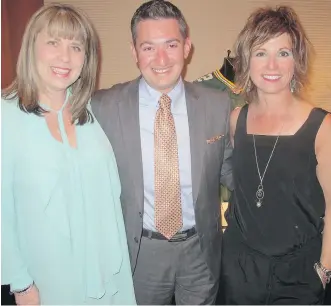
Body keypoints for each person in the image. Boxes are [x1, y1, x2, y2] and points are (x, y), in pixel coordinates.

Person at [91, 0, 233, 304]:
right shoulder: (103, 107)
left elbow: (233, 172)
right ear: (134, 52)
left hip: (200, 252)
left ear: (187, 47)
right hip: (140, 254)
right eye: (148, 47)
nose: (161, 58)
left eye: (171, 44)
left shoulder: (216, 105)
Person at [1, 3, 136, 305]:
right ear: (31, 47)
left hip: (108, 273)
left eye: (76, 46)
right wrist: (21, 284)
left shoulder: (87, 110)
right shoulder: (5, 117)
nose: (65, 56)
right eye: (53, 42)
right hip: (46, 279)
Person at [220, 6, 331, 305]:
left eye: (283, 53)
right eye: (260, 52)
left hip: (299, 276)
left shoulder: (323, 127)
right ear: (246, 59)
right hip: (239, 271)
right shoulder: (236, 120)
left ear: (297, 60)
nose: (272, 64)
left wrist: (323, 271)